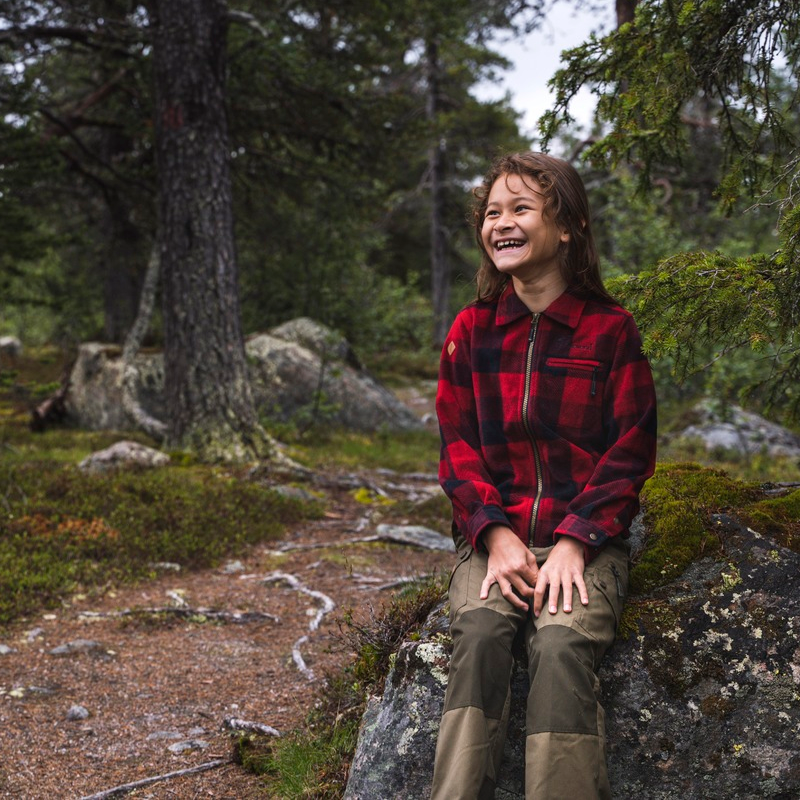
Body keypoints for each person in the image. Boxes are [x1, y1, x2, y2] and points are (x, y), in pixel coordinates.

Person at [430, 152, 657, 799]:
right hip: (494, 539)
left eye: (520, 208)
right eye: (492, 212)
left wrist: (575, 540)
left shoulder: (610, 330)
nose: (501, 222)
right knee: (478, 634)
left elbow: (630, 449)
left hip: (585, 543)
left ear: (566, 227)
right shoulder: (471, 332)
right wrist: (494, 535)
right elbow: (457, 447)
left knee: (558, 644)